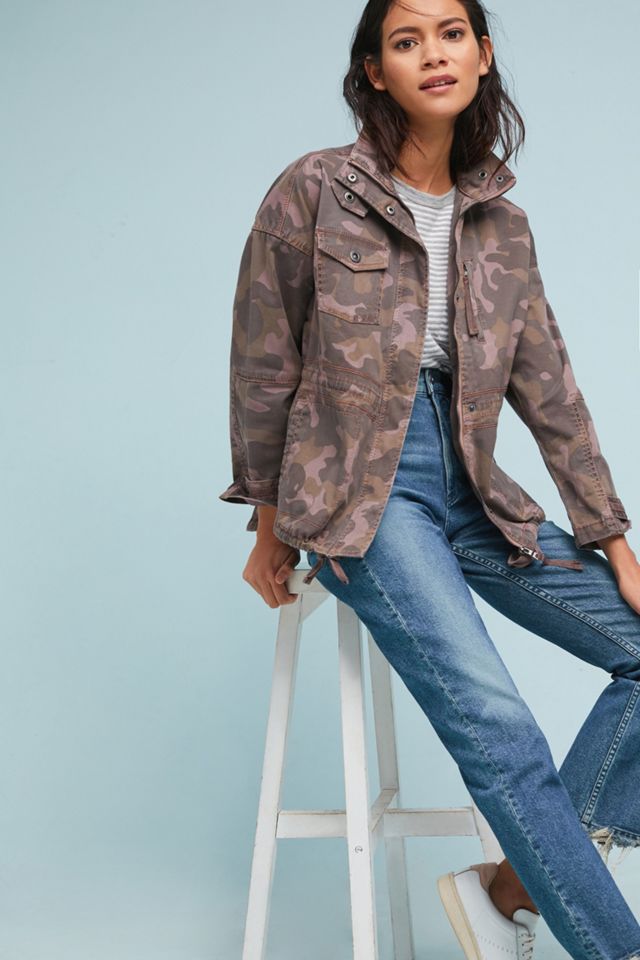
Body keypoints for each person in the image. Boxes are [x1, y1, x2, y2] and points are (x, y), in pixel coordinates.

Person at [219, 1, 640, 957]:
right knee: (503, 726)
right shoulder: (315, 189)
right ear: (376, 70)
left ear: (483, 55)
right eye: (406, 41)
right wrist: (271, 524)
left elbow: (553, 392)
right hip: (363, 498)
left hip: (473, 488)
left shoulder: (503, 225)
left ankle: (509, 889)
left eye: (451, 34)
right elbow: (263, 363)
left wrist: (614, 541)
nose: (433, 54)